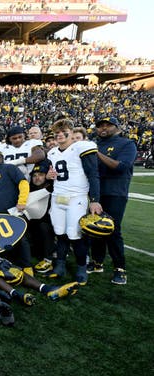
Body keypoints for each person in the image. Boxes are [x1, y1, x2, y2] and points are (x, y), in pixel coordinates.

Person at [45, 119, 102, 285]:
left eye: (64, 132)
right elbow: (55, 173)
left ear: (71, 132)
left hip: (76, 197)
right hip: (58, 197)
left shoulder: (81, 147)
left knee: (75, 234)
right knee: (60, 233)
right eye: (57, 133)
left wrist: (94, 200)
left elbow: (93, 174)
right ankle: (60, 266)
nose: (60, 135)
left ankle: (81, 268)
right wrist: (50, 176)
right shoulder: (53, 152)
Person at [90, 117, 137, 285]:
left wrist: (96, 153)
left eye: (107, 125)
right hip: (96, 192)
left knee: (112, 230)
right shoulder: (94, 143)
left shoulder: (127, 144)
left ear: (117, 127)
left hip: (115, 192)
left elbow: (121, 167)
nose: (103, 128)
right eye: (100, 125)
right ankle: (97, 262)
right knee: (95, 228)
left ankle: (120, 269)